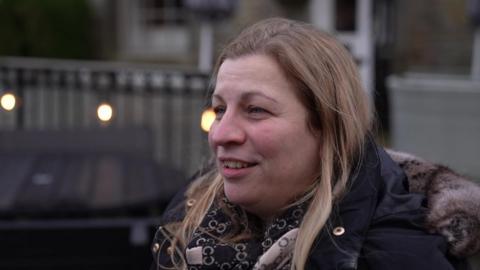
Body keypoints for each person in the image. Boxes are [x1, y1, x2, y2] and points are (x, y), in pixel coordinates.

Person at [150, 18, 474, 270]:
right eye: (220, 109)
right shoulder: (189, 214)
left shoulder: (396, 254)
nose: (221, 134)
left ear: (327, 127)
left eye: (256, 110)